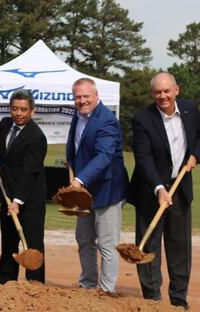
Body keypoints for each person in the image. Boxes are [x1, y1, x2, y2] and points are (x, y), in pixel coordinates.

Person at [129, 72, 200, 309]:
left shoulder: (190, 109)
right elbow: (143, 159)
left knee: (179, 247)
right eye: (157, 92)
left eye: (167, 91)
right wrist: (158, 188)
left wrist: (195, 155)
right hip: (150, 190)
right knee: (148, 247)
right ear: (152, 93)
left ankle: (178, 300)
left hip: (180, 187)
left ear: (177, 90)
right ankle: (153, 299)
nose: (162, 96)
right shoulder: (142, 119)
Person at [66, 77, 129, 293]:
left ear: (96, 96)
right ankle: (88, 283)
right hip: (85, 191)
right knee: (84, 238)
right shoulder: (78, 116)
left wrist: (79, 180)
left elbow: (104, 157)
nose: (82, 100)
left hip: (108, 190)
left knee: (107, 243)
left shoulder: (107, 120)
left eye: (86, 96)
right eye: (78, 97)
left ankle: (107, 290)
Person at [0, 89, 47, 284]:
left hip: (30, 198)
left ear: (33, 110)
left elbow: (29, 172)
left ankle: (35, 283)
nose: (18, 113)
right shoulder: (6, 124)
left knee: (32, 243)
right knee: (9, 241)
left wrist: (17, 201)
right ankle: (6, 281)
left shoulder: (37, 138)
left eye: (23, 109)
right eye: (14, 109)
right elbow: (1, 148)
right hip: (7, 192)